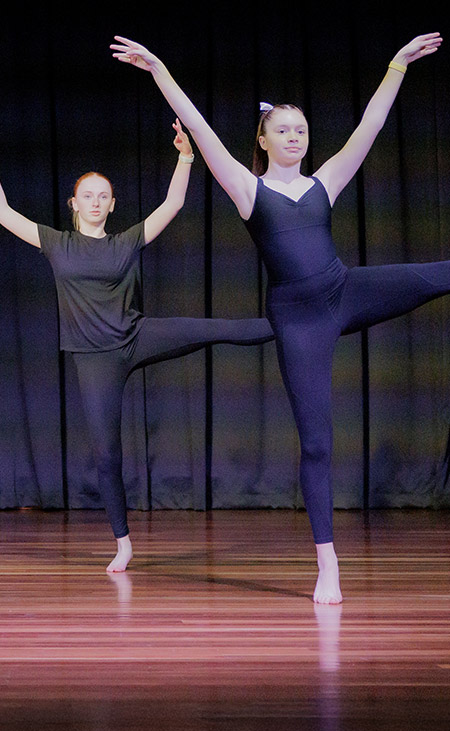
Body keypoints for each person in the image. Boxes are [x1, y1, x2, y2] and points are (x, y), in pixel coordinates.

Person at [110, 32, 449, 603]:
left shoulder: (325, 183)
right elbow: (200, 127)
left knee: (437, 273)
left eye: (302, 130)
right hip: (299, 320)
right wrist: (159, 71)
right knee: (317, 441)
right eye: (283, 130)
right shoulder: (249, 189)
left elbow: (367, 129)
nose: (294, 137)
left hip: (343, 290)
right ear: (263, 140)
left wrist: (395, 67)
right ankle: (328, 563)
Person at [0, 119, 274, 572]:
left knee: (213, 328)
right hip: (93, 360)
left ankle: (289, 326)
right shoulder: (55, 243)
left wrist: (186, 156)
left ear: (112, 205)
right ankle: (123, 543)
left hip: (136, 336)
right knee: (106, 454)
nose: (95, 202)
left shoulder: (126, 242)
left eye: (103, 196)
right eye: (87, 195)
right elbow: (5, 212)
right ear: (74, 203)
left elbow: (174, 203)